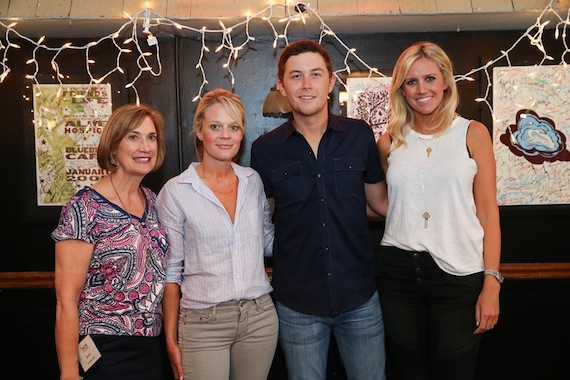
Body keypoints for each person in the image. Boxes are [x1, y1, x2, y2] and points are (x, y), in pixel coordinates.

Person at [251, 39, 388, 380]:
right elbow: (262, 221)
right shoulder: (265, 150)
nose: (307, 84)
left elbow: (379, 205)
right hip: (297, 304)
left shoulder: (359, 136)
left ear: (331, 81)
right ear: (282, 86)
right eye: (296, 76)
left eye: (315, 74)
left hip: (359, 299)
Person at [376, 41, 501, 380]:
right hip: (398, 273)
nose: (421, 89)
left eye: (429, 78)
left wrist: (492, 284)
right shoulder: (389, 141)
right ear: (401, 89)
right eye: (411, 81)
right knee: (408, 373)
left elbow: (488, 212)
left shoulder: (473, 134)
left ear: (445, 81)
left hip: (459, 276)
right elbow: (389, 205)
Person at [156, 88, 278, 380]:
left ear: (242, 133)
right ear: (199, 132)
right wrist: (170, 339)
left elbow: (268, 242)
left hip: (259, 317)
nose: (225, 135)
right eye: (215, 126)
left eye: (233, 127)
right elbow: (171, 273)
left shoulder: (252, 181)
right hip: (202, 323)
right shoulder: (176, 191)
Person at [51, 104, 169, 380]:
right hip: (103, 350)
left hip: (151, 347)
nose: (145, 146)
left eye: (151, 137)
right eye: (133, 137)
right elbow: (66, 300)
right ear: (114, 147)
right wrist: (69, 373)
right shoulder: (84, 208)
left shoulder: (153, 201)